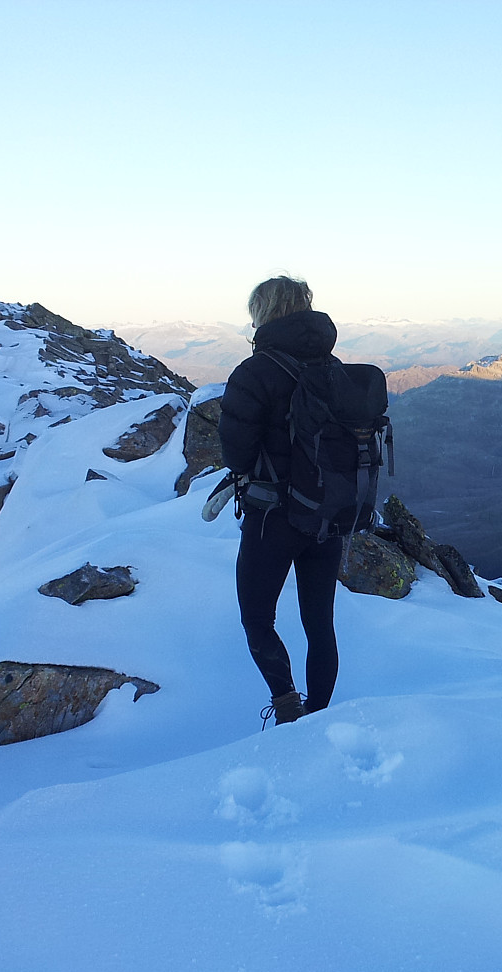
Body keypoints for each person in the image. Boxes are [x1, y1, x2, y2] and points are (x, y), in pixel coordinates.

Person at [218, 276, 345, 726]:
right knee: (319, 624)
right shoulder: (334, 368)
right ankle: (320, 716)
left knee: (257, 619)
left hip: (272, 517)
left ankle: (289, 707)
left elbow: (236, 453)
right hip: (328, 517)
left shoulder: (254, 373)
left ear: (263, 313)